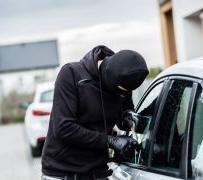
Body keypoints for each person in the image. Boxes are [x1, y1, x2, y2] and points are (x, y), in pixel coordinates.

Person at [41, 45, 149, 180]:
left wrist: (128, 118)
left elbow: (124, 113)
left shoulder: (124, 82)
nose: (122, 94)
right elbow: (63, 127)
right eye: (120, 91)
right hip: (63, 172)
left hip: (99, 171)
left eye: (126, 92)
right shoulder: (71, 74)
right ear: (107, 76)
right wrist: (110, 140)